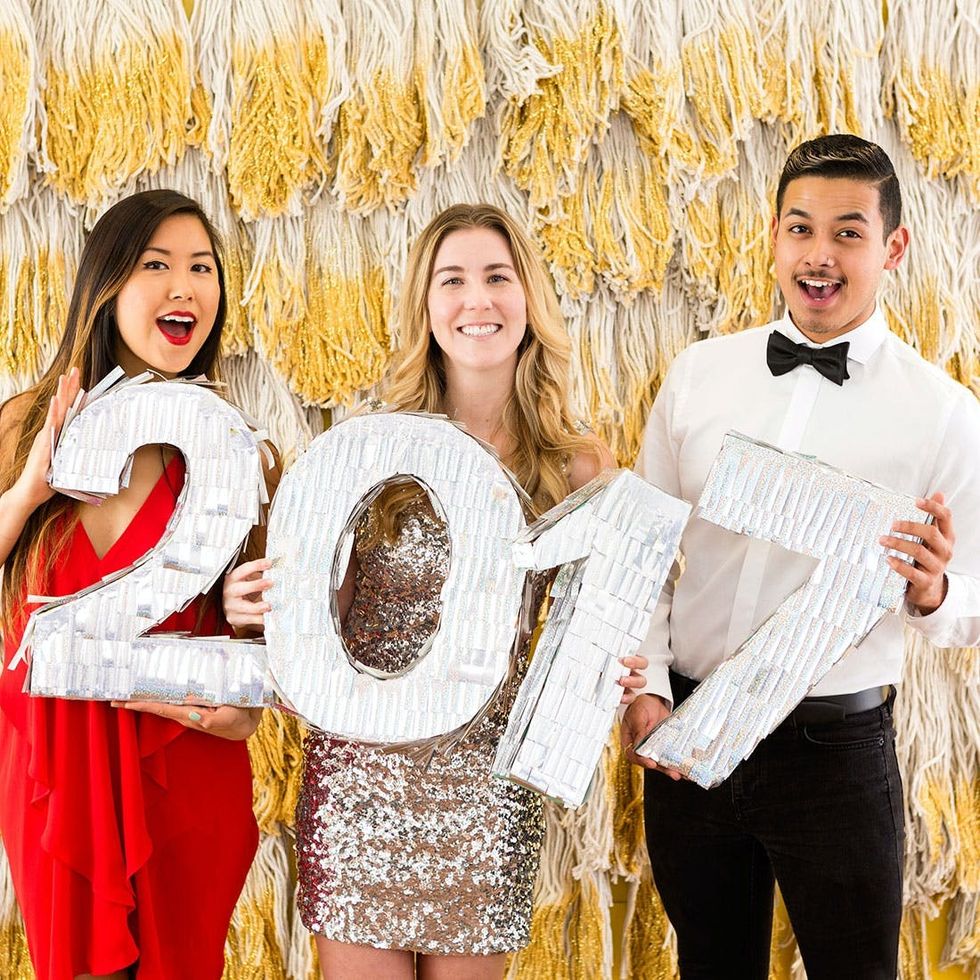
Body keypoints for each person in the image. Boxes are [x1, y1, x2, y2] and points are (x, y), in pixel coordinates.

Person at [224, 203, 645, 979]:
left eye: (497, 277)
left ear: (529, 299)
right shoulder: (368, 448)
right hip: (360, 781)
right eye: (452, 280)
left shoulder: (578, 466)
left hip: (487, 787)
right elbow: (322, 619)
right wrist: (261, 614)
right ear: (426, 303)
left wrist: (614, 674)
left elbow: (598, 633)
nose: (476, 299)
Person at [621, 134, 980, 979]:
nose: (820, 254)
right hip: (689, 730)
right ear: (775, 237)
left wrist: (932, 592)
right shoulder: (698, 376)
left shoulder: (943, 414)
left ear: (893, 247)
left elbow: (971, 601)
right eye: (801, 228)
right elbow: (643, 552)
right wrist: (645, 690)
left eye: (848, 232)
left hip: (834, 754)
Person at [0, 190, 263, 980]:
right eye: (157, 265)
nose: (186, 286)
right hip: (56, 777)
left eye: (203, 268)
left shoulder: (236, 454)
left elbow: (253, 686)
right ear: (107, 283)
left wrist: (240, 708)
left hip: (185, 773)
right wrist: (29, 492)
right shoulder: (23, 426)